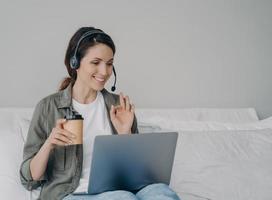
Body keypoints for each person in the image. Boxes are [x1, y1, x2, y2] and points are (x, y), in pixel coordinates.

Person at [19, 26, 180, 200]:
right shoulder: (48, 107)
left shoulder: (118, 105)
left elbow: (135, 174)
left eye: (109, 64)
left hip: (119, 190)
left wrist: (125, 133)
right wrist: (49, 143)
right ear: (75, 63)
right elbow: (29, 179)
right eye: (96, 63)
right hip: (71, 194)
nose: (104, 72)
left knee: (162, 192)